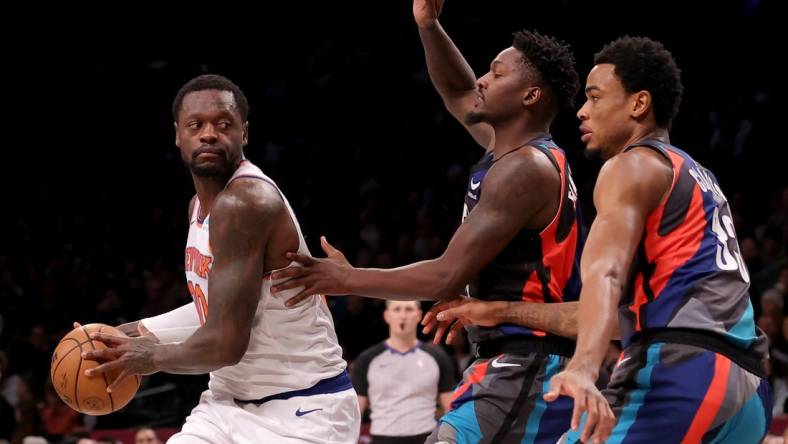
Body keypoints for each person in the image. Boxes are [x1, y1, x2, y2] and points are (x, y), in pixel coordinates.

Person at [272, 0, 583, 441]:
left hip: (527, 359)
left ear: (531, 95)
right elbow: (458, 93)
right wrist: (429, 24)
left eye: (497, 73)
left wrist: (344, 279)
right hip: (516, 357)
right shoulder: (510, 151)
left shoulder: (525, 169)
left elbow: (444, 275)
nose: (482, 78)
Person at [81, 74, 360, 443]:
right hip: (226, 404)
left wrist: (150, 356)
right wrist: (133, 332)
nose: (209, 134)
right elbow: (218, 310)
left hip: (303, 410)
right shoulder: (198, 206)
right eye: (195, 125)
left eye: (223, 124)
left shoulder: (246, 201)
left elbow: (226, 343)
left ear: (244, 133)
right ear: (178, 135)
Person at [540, 36, 771, 443]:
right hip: (748, 391)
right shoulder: (697, 174)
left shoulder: (630, 166)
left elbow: (605, 275)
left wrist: (583, 367)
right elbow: (606, 316)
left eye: (594, 97)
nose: (581, 110)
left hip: (683, 372)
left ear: (638, 104)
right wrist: (500, 311)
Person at [352, 301, 455, 444]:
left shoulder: (437, 356)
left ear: (419, 315)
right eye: (397, 309)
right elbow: (355, 413)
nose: (403, 315)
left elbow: (451, 409)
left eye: (408, 309)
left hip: (427, 438)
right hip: (382, 439)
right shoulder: (367, 359)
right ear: (387, 316)